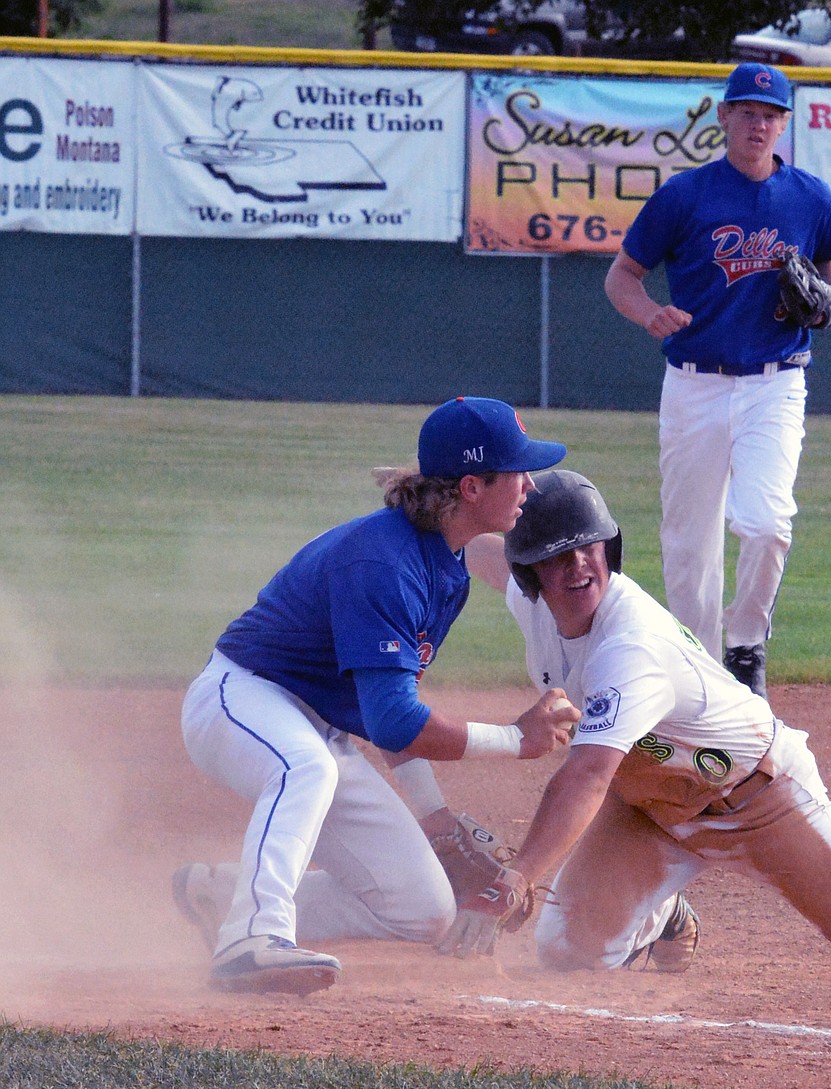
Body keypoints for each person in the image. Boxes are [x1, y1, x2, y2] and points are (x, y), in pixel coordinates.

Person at [440, 470, 831, 987]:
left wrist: (516, 878)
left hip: (758, 798)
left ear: (610, 547)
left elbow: (584, 777)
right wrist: (426, 499)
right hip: (651, 804)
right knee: (569, 956)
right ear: (533, 575)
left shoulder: (628, 646)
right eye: (556, 556)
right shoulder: (533, 604)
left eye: (590, 546)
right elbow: (474, 543)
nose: (579, 565)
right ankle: (660, 915)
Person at [172, 396, 578, 996]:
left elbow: (384, 704)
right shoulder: (383, 561)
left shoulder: (446, 565)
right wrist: (517, 741)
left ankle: (224, 897)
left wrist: (433, 814)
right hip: (242, 699)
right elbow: (393, 720)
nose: (528, 485)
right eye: (517, 471)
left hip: (314, 727)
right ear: (471, 486)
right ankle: (249, 938)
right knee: (304, 767)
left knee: (422, 907)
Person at [604, 62, 831, 698]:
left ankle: (745, 644)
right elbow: (621, 277)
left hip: (777, 381)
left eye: (770, 114)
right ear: (723, 117)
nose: (758, 123)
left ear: (784, 124)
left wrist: (824, 302)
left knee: (767, 523)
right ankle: (698, 676)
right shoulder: (685, 196)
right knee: (689, 546)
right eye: (746, 111)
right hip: (695, 384)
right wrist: (649, 313)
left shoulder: (811, 197)